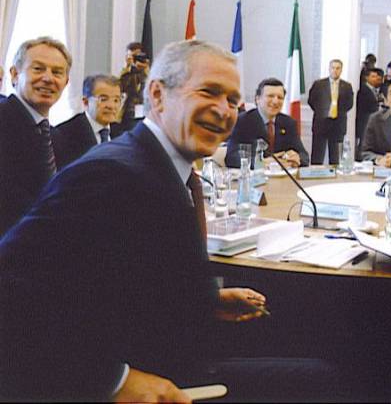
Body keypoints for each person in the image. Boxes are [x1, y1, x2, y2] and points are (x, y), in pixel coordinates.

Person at [0, 40, 339, 402]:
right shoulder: (111, 173)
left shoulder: (161, 166)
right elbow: (11, 291)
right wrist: (113, 381)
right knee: (327, 378)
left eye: (231, 100)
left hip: (174, 347)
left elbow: (124, 279)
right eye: (208, 92)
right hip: (138, 378)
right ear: (158, 95)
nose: (224, 110)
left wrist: (204, 299)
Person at [0, 37, 71, 236]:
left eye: (57, 72)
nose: (48, 78)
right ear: (15, 74)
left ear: (66, 82)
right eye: (38, 69)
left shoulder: (57, 138)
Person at [225, 77, 308, 168]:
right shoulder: (242, 121)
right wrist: (260, 163)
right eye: (270, 96)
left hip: (281, 175)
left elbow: (304, 156)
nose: (275, 101)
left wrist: (297, 158)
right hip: (254, 175)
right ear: (257, 99)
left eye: (280, 98)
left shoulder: (288, 123)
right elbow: (231, 158)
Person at [53, 74, 122, 168]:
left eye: (116, 100)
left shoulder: (123, 133)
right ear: (85, 102)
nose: (111, 106)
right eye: (103, 99)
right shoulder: (63, 134)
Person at [308, 59, 353, 165]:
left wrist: (338, 112)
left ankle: (335, 172)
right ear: (329, 69)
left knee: (335, 156)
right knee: (317, 154)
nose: (335, 70)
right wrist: (321, 111)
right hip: (321, 123)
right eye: (333, 68)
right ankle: (315, 172)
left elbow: (349, 104)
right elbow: (311, 101)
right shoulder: (319, 84)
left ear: (341, 70)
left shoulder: (347, 86)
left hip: (338, 124)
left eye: (338, 68)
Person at [113, 41, 151, 137]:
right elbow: (118, 88)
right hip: (126, 114)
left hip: (144, 114)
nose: (135, 60)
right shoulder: (127, 74)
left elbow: (151, 88)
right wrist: (126, 68)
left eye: (137, 56)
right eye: (132, 57)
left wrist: (146, 70)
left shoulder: (150, 73)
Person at [355, 66, 383, 161]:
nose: (375, 79)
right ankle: (360, 158)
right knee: (363, 140)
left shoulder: (373, 90)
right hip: (364, 119)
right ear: (367, 77)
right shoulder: (364, 89)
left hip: (371, 118)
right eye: (373, 76)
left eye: (376, 77)